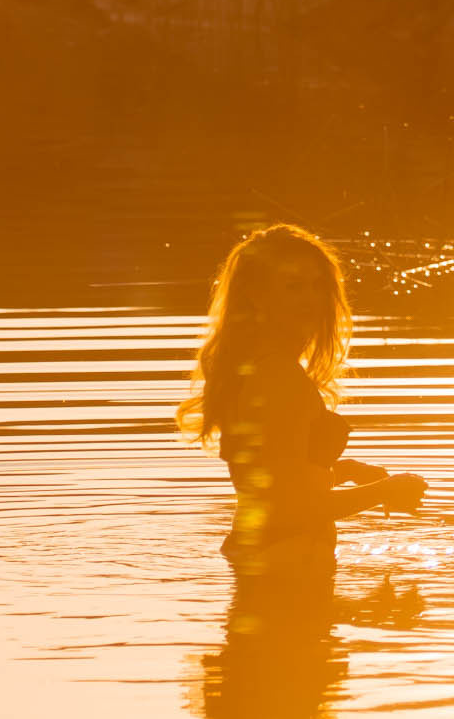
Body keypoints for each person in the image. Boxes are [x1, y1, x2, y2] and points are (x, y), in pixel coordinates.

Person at [178, 222, 426, 565]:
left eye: (317, 286)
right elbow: (298, 509)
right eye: (294, 287)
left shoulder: (253, 366)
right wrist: (390, 489)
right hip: (285, 564)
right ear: (256, 295)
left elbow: (275, 481)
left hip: (262, 555)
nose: (311, 299)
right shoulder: (280, 377)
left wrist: (349, 470)